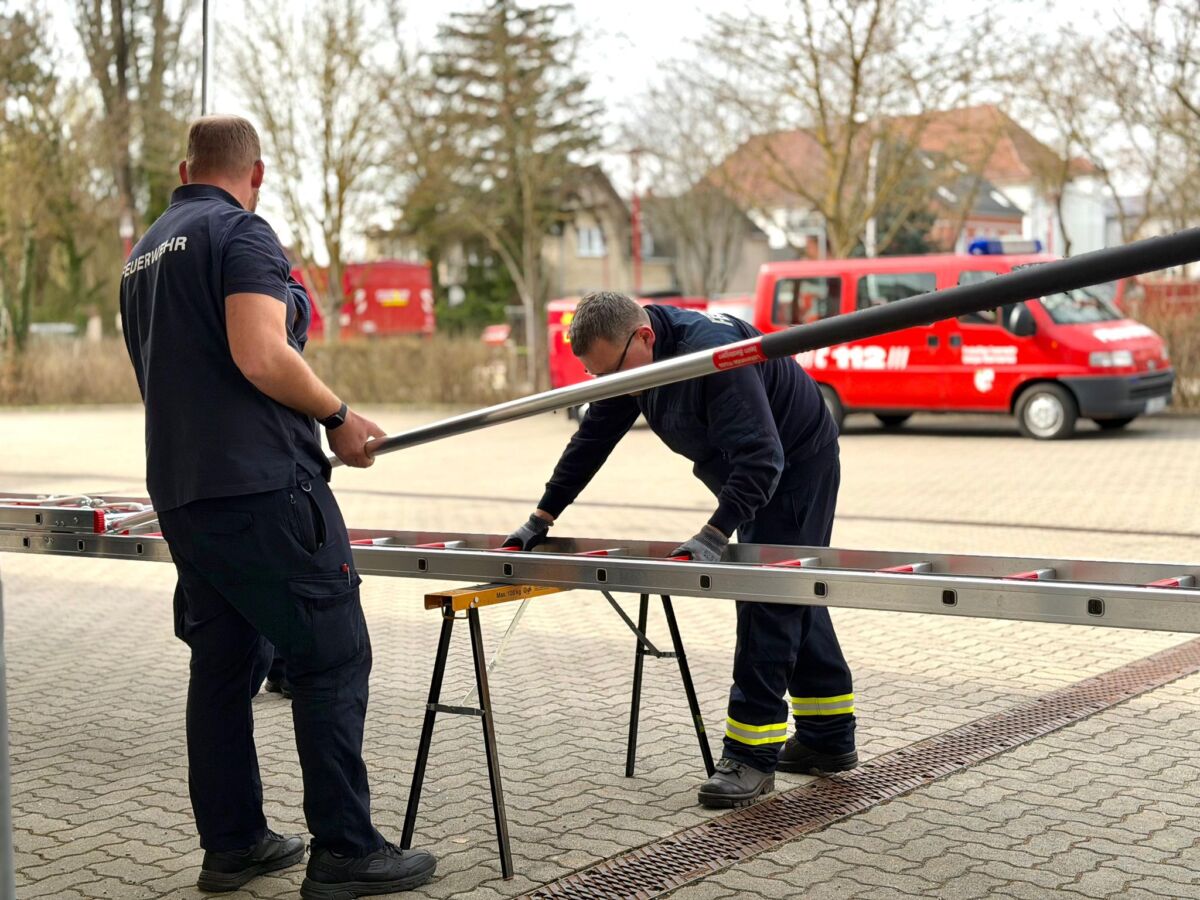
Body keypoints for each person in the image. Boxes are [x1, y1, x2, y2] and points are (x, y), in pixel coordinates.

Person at [120, 114, 436, 896]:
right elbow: (261, 352)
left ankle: (234, 845)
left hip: (184, 492)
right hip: (265, 488)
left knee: (224, 667)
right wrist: (339, 417)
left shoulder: (142, 256)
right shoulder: (243, 235)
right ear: (254, 173)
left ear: (184, 163)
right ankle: (346, 852)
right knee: (331, 655)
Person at [504, 291, 858, 808]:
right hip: (743, 468)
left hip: (796, 465)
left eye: (613, 372)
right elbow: (592, 440)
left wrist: (714, 535)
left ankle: (751, 758)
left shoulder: (711, 355)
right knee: (791, 595)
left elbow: (763, 461)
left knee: (769, 595)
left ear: (643, 336)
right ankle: (828, 738)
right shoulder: (630, 361)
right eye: (598, 377)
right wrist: (541, 516)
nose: (610, 386)